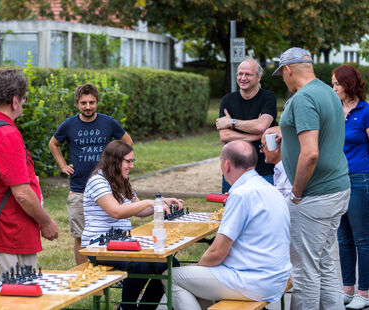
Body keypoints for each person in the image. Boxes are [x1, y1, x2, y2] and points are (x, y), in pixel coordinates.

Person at [164, 141, 290, 310]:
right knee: (195, 280)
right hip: (277, 276)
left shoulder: (240, 195)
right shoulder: (270, 189)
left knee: (170, 277)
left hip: (253, 281)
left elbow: (217, 252)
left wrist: (198, 270)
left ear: (227, 164)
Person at [273, 47, 351, 309]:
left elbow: (310, 153)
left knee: (304, 271)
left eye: (282, 74)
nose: (284, 79)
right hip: (337, 189)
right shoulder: (328, 92)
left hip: (314, 196)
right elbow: (322, 134)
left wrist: (296, 192)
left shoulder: (303, 98)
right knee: (325, 263)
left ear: (288, 69)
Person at [0, 69, 59, 288]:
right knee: (19, 299)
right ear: (16, 100)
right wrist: (46, 222)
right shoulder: (7, 133)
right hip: (10, 233)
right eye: (24, 99)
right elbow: (22, 194)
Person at [81, 140, 182, 310]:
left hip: (123, 243)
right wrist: (149, 202)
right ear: (114, 161)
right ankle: (126, 307)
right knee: (141, 265)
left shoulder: (121, 180)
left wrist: (160, 202)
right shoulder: (97, 181)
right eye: (128, 161)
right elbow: (116, 211)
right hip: (98, 245)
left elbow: (139, 211)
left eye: (132, 161)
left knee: (170, 263)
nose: (131, 166)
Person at [49, 83, 133, 265]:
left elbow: (127, 142)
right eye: (83, 103)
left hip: (107, 188)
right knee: (80, 236)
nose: (88, 107)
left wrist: (118, 164)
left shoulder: (108, 122)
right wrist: (63, 165)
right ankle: (83, 276)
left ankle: (108, 271)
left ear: (97, 102)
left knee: (110, 233)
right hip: (79, 188)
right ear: (77, 103)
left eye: (92, 102)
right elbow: (53, 144)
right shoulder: (69, 124)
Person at [332, 64, 369, 309]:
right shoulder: (334, 110)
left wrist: (363, 169)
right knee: (343, 240)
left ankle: (363, 294)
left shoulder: (367, 112)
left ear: (349, 85)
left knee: (362, 239)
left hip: (360, 182)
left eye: (336, 84)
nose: (333, 88)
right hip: (337, 183)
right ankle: (348, 289)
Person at [216, 57, 277, 193]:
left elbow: (261, 126)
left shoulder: (268, 98)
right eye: (240, 74)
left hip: (264, 169)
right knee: (231, 211)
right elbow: (224, 135)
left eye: (248, 74)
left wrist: (232, 122)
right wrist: (257, 135)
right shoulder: (228, 100)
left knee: (264, 211)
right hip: (234, 171)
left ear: (258, 77)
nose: (243, 78)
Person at [260, 127, 292, 198]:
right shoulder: (281, 169)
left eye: (263, 146)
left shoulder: (290, 173)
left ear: (276, 147)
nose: (261, 151)